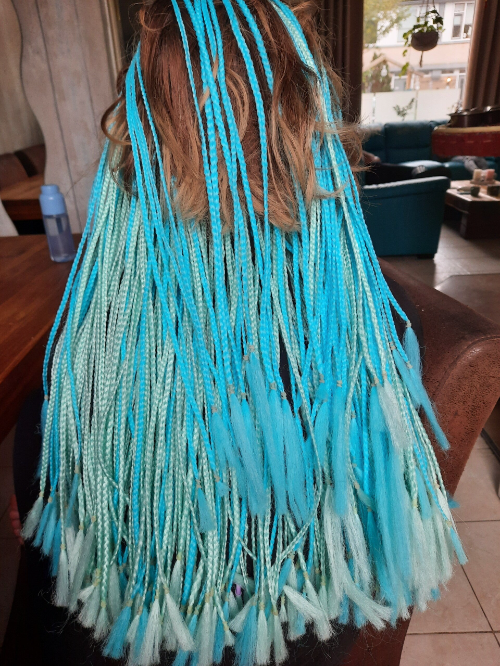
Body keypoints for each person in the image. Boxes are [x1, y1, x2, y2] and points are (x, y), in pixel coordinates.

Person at [17, 2, 465, 665]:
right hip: (308, 633)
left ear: (136, 143)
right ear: (311, 128)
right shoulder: (359, 332)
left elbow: (54, 521)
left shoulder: (96, 350)